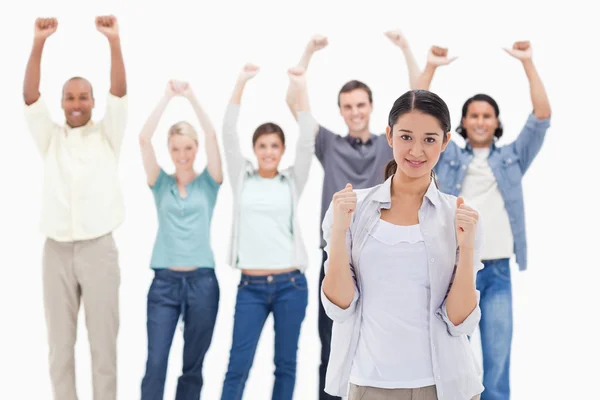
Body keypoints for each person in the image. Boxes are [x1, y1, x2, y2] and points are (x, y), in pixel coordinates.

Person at [321, 89, 484, 400]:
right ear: (390, 135)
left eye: (430, 139)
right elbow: (339, 307)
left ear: (445, 142)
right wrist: (340, 231)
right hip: (369, 385)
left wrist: (467, 249)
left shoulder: (459, 216)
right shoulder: (351, 208)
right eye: (406, 137)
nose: (417, 151)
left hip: (445, 387)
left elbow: (459, 321)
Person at [285, 30, 421, 400]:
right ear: (341, 110)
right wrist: (308, 53)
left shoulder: (389, 144)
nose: (355, 112)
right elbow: (293, 101)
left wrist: (406, 47)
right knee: (331, 345)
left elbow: (420, 100)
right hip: (337, 257)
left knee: (383, 345)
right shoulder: (328, 144)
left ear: (371, 107)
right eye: (348, 106)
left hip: (382, 255)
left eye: (360, 105)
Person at [416, 41, 552, 400]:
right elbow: (414, 117)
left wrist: (527, 62)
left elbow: (541, 117)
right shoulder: (444, 158)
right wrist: (431, 67)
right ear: (461, 123)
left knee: (496, 366)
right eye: (473, 115)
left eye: (486, 115)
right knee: (448, 366)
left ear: (496, 122)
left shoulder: (512, 159)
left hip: (497, 273)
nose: (480, 121)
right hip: (452, 271)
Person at [23, 15, 127, 400]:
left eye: (84, 97)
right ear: (63, 103)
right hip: (56, 252)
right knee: (59, 352)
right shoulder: (51, 138)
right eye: (70, 97)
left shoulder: (108, 135)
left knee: (104, 351)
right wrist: (39, 43)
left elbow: (120, 92)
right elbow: (31, 97)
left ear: (93, 102)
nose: (77, 103)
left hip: (99, 250)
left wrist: (113, 42)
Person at [219, 64, 317, 400]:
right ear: (255, 148)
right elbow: (228, 134)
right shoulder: (241, 178)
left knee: (286, 365)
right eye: (262, 145)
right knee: (237, 365)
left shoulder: (291, 182)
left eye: (275, 146)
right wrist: (241, 81)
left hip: (291, 286)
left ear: (281, 150)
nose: (268, 152)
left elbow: (307, 139)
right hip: (251, 287)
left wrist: (300, 88)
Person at [138, 80, 223, 399]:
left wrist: (191, 98)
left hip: (203, 282)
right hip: (164, 284)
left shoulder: (209, 182)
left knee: (192, 367)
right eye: (175, 149)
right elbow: (143, 139)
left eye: (188, 148)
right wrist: (166, 98)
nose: (182, 155)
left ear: (196, 148)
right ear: (169, 150)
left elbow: (213, 136)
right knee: (156, 362)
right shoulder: (159, 183)